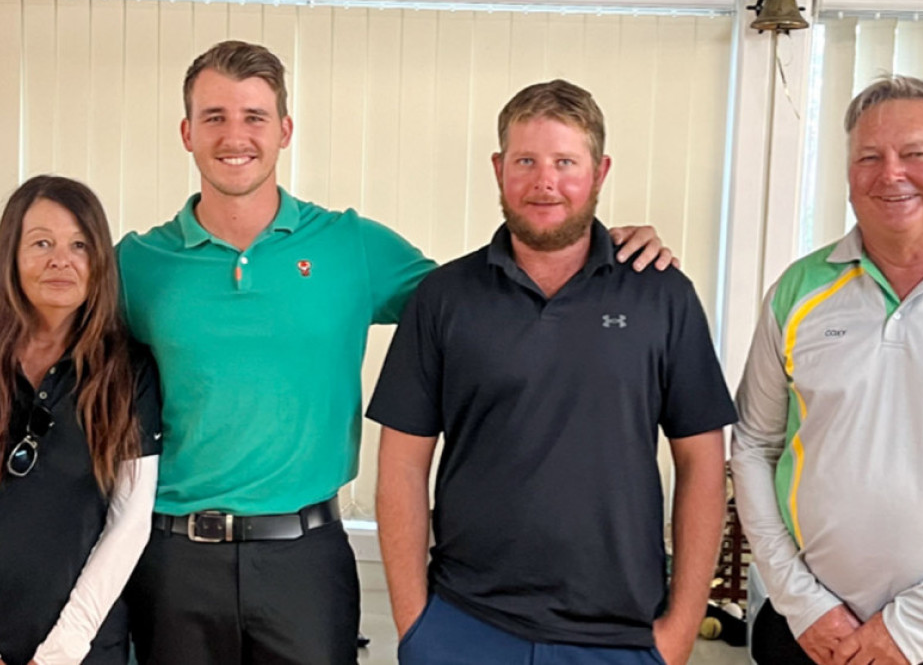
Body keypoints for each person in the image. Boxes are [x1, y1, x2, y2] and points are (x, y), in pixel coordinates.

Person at [118, 41, 673, 664]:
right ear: (187, 132)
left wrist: (606, 247)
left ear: (285, 131)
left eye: (255, 117)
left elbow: (493, 299)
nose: (235, 135)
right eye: (215, 117)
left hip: (306, 555)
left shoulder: (350, 245)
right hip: (172, 555)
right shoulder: (138, 265)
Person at [367, 79, 736, 665]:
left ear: (600, 170)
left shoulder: (662, 295)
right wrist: (416, 625)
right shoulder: (444, 297)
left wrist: (681, 628)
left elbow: (702, 463)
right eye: (526, 161)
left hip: (623, 636)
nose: (545, 182)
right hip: (466, 625)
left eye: (566, 161)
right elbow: (402, 464)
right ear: (498, 169)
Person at [731, 75, 923, 665]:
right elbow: (753, 444)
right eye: (869, 158)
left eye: (916, 155)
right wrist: (803, 603)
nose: (890, 174)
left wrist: (911, 629)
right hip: (807, 632)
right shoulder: (798, 290)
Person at [0, 176, 161, 665]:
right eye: (41, 243)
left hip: (81, 645)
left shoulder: (128, 370)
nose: (60, 260)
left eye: (79, 246)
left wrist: (60, 652)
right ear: (10, 254)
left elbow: (128, 524)